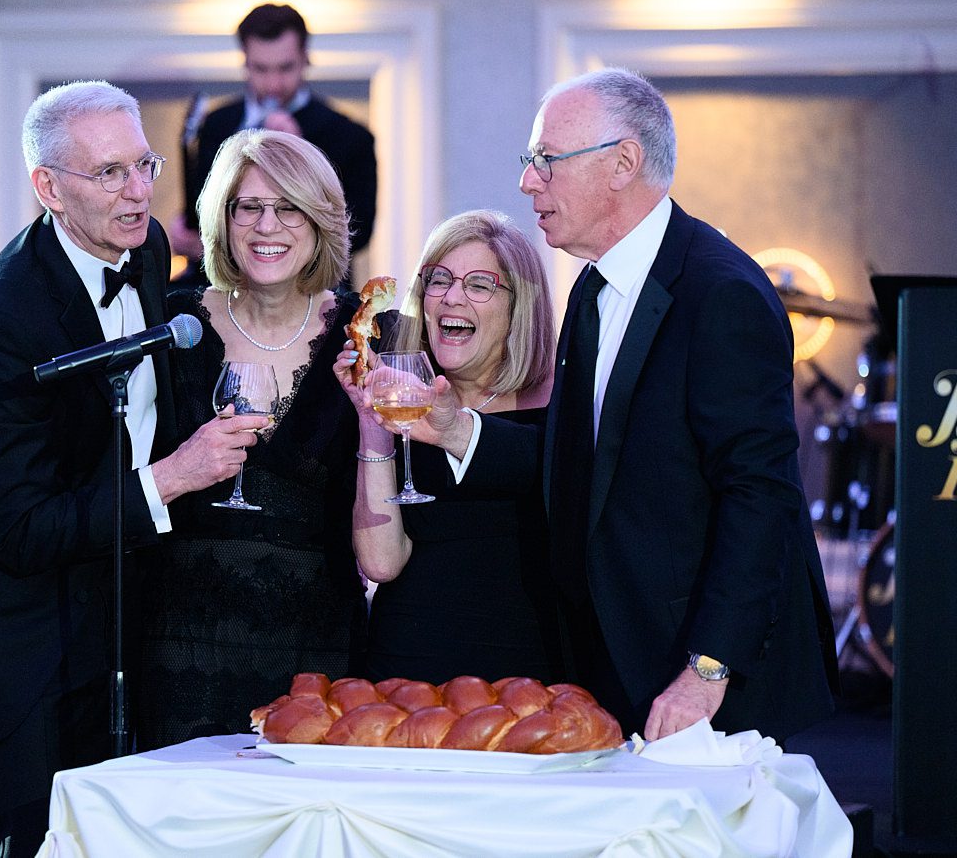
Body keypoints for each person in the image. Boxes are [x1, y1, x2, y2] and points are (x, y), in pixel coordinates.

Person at [399, 68, 839, 743]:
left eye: (545, 161)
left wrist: (708, 668)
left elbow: (761, 496)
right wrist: (458, 429)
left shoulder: (721, 293)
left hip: (709, 687)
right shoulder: (591, 289)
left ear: (622, 163)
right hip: (618, 666)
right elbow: (581, 461)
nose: (527, 183)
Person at [0, 81, 267, 857]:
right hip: (22, 635)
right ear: (49, 188)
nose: (139, 192)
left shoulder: (140, 251)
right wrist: (175, 475)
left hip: (121, 607)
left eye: (144, 164)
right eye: (109, 174)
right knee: (47, 843)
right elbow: (25, 530)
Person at [136, 129, 372, 749]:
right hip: (178, 642)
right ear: (224, 220)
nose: (269, 226)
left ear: (319, 222)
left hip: (314, 650)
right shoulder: (169, 321)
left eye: (289, 207)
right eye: (249, 207)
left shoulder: (366, 334)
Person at [334, 210, 561, 685]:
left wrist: (453, 427)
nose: (451, 297)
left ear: (518, 305)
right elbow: (381, 562)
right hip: (407, 675)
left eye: (479, 284)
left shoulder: (564, 404)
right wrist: (373, 420)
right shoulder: (402, 398)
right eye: (437, 280)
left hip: (529, 676)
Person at [170, 3, 377, 283]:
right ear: (244, 60)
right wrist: (187, 235)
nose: (273, 83)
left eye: (285, 67)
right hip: (219, 288)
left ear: (306, 58)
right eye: (261, 68)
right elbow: (200, 208)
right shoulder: (215, 124)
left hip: (310, 291)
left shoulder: (349, 136)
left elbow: (358, 233)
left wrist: (301, 160)